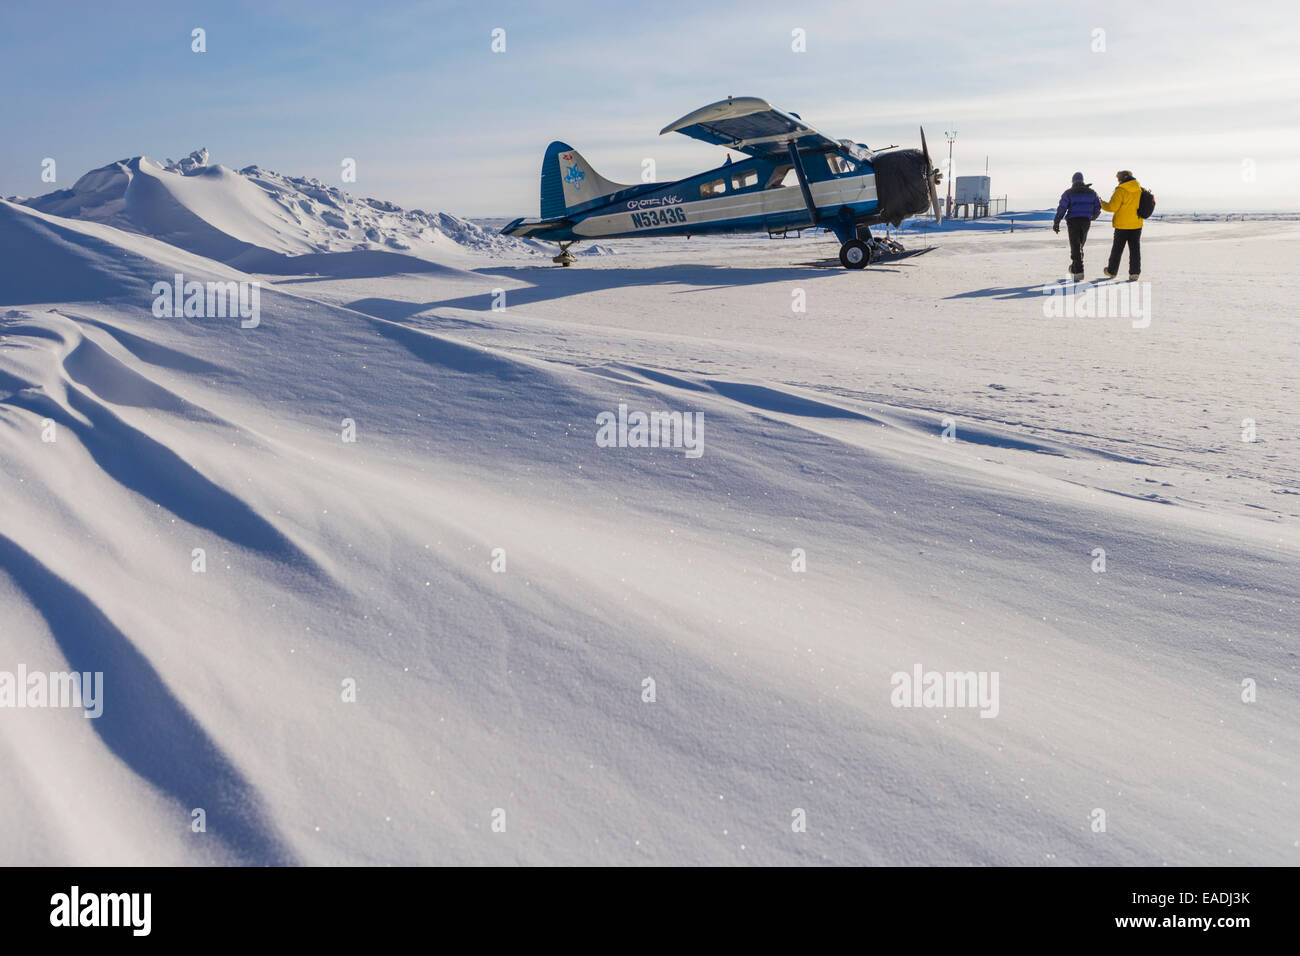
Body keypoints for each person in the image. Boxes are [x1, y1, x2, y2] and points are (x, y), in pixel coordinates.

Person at [1053, 172, 1101, 281]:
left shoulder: (1068, 193)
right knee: (1080, 245)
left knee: (1075, 245)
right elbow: (1098, 207)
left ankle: (1078, 270)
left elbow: (1062, 208)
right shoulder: (1092, 193)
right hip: (1085, 221)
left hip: (1073, 221)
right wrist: (1092, 217)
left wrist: (1056, 222)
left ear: (1073, 181)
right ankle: (1075, 268)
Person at [1101, 170, 1143, 279]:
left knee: (1117, 249)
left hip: (1122, 226)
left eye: (1118, 178)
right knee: (1135, 250)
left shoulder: (1121, 191)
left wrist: (1101, 203)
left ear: (1123, 178)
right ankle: (1134, 273)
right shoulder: (1139, 189)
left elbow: (1111, 207)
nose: (1118, 180)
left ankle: (1112, 271)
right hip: (1137, 225)